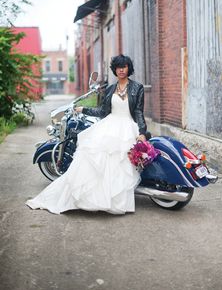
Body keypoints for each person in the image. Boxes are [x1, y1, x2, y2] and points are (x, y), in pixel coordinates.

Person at [26, 54, 148, 215]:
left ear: (128, 68)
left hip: (127, 127)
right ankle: (92, 199)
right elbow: (103, 112)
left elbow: (138, 111)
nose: (121, 70)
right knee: (93, 159)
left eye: (124, 67)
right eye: (118, 67)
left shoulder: (137, 87)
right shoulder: (110, 88)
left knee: (119, 164)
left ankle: (116, 201)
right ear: (114, 70)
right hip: (109, 125)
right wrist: (83, 109)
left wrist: (142, 132)